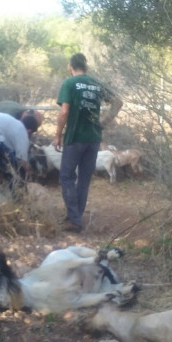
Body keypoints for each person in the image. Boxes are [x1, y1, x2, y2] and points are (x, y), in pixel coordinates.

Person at [54, 53, 123, 233]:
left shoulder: (69, 83)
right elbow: (118, 102)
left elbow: (64, 113)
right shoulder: (96, 83)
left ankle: (75, 220)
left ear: (70, 67)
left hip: (75, 137)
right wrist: (103, 124)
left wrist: (57, 135)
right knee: (84, 178)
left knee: (66, 176)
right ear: (86, 68)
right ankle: (75, 216)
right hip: (93, 138)